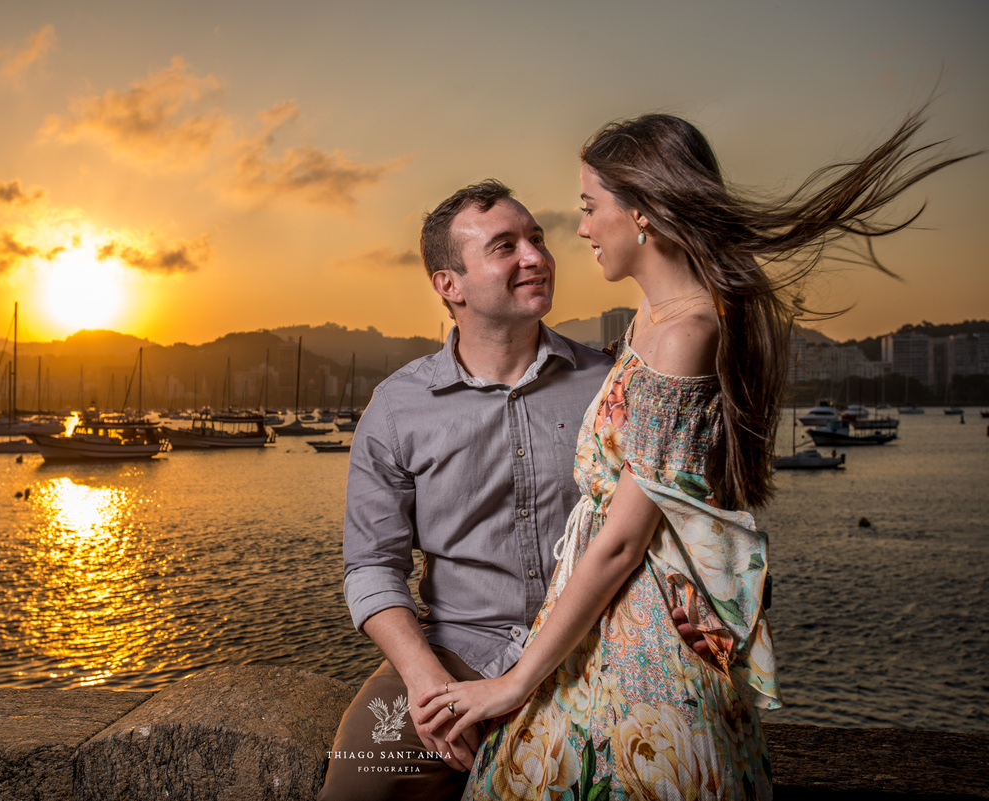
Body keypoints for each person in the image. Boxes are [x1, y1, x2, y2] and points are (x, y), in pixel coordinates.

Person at [416, 111, 976, 800]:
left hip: (638, 641)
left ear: (643, 212)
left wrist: (514, 679)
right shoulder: (651, 319)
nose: (582, 227)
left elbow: (623, 542)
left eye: (591, 206)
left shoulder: (685, 332)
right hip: (607, 617)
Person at [318, 180, 617, 801]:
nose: (534, 256)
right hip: (458, 652)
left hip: (599, 647)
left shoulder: (609, 382)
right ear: (448, 285)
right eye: (504, 246)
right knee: (357, 790)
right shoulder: (398, 408)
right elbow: (371, 566)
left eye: (536, 238)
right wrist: (424, 680)